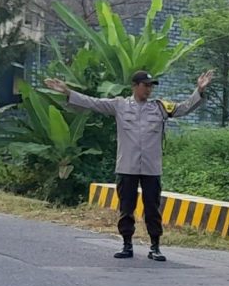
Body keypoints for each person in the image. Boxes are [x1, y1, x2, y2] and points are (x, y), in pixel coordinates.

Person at [44, 69, 214, 261]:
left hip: (151, 168)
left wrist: (199, 90)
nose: (149, 90)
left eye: (151, 86)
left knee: (152, 208)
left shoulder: (159, 107)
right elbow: (93, 103)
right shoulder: (120, 105)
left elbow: (183, 108)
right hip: (127, 166)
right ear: (135, 86)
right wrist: (68, 92)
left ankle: (155, 246)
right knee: (126, 207)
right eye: (145, 85)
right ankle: (127, 244)